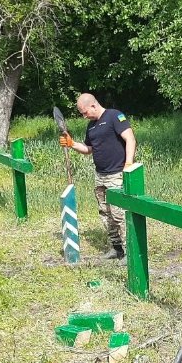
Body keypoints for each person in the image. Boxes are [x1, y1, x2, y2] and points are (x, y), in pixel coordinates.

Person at [59, 93, 136, 259]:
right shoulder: (91, 127)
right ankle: (116, 249)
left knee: (119, 214)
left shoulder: (114, 116)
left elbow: (130, 139)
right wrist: (72, 144)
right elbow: (88, 149)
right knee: (105, 213)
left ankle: (130, 254)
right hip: (100, 176)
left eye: (85, 112)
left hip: (117, 174)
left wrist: (128, 165)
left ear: (93, 105)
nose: (84, 116)